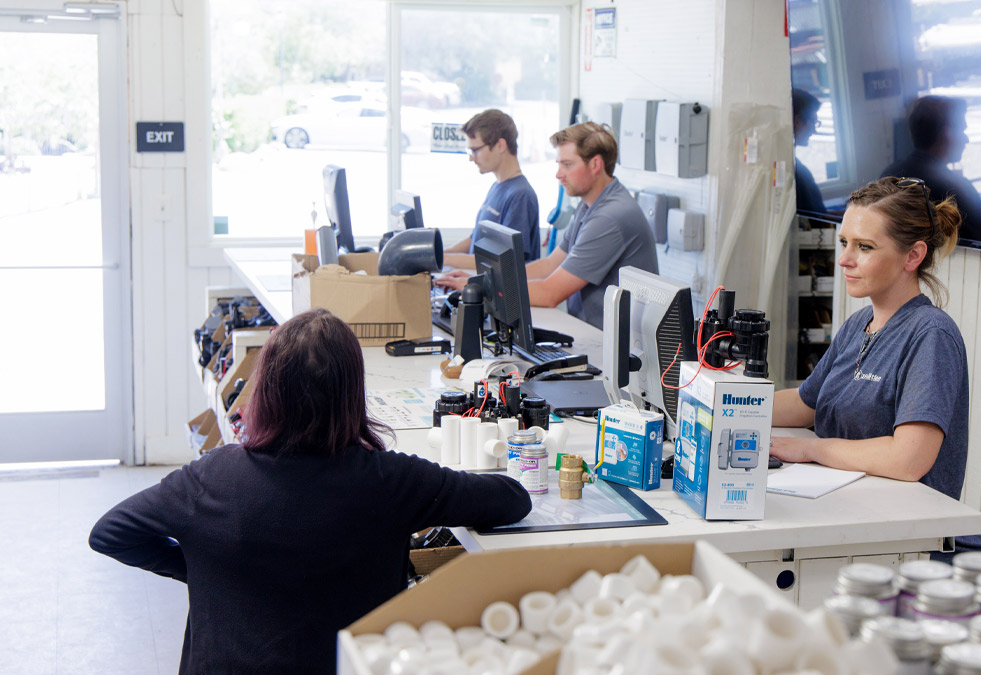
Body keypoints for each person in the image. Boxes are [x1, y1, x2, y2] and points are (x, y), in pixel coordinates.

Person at [88, 309, 532, 674]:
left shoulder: (210, 479)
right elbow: (512, 500)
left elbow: (109, 533)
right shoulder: (390, 481)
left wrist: (205, 570)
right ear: (351, 395)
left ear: (266, 391)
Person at [770, 176, 981, 560]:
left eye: (864, 247)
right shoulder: (858, 325)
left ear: (912, 256)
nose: (844, 259)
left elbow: (908, 460)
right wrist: (726, 403)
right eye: (844, 243)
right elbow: (805, 403)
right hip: (850, 520)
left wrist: (811, 448)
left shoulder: (932, 335)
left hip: (914, 547)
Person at [438, 122, 658, 329]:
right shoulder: (589, 206)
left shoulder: (610, 216)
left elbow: (550, 293)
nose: (558, 174)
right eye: (558, 164)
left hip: (619, 351)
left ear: (596, 165)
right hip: (592, 332)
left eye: (567, 165)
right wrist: (483, 279)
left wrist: (481, 286)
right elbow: (548, 266)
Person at [881, 95, 981, 249]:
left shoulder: (889, 174)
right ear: (947, 134)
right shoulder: (955, 187)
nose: (966, 139)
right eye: (962, 130)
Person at [442, 109, 540, 270]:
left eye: (475, 150)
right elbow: (475, 239)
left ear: (500, 145)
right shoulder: (498, 187)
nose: (471, 158)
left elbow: (503, 262)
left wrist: (444, 259)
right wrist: (441, 255)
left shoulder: (520, 196)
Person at [792, 89, 828, 216]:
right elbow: (818, 219)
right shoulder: (798, 174)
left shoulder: (795, 168)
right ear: (797, 122)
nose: (814, 130)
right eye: (813, 122)